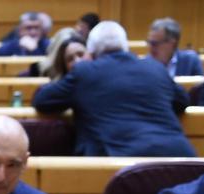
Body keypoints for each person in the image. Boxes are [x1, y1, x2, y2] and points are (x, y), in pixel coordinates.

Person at [33, 21, 195, 157]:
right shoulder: (155, 68)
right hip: (178, 157)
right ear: (125, 46)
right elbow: (183, 101)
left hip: (121, 165)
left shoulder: (85, 72)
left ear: (91, 52)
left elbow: (42, 100)